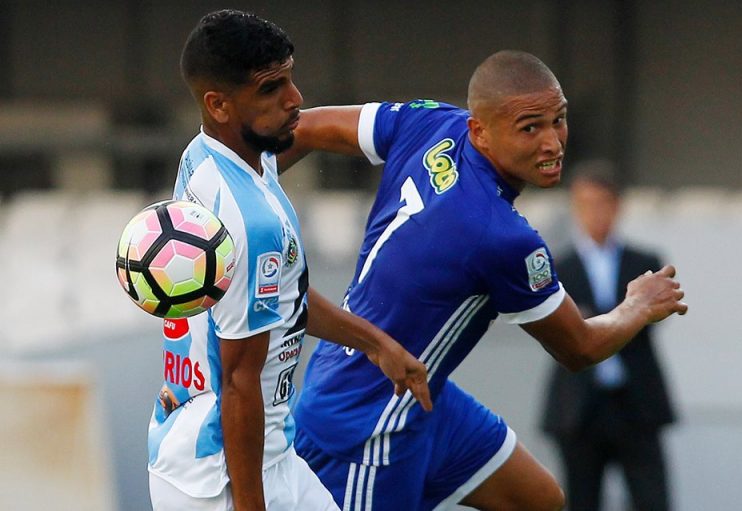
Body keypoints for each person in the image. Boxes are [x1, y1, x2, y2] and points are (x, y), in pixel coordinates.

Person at [277, 49, 688, 511]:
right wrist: (638, 304)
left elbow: (305, 127)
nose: (553, 142)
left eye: (559, 119)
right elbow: (580, 347)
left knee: (538, 499)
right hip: (365, 422)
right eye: (530, 127)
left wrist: (258, 185)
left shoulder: (431, 122)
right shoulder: (499, 237)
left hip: (423, 396)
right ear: (480, 131)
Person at [146, 10, 432, 511]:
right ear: (219, 104)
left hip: (256, 448)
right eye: (271, 87)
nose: (295, 98)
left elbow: (282, 297)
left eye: (290, 78)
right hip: (221, 474)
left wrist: (375, 343)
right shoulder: (246, 221)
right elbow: (238, 383)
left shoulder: (209, 157)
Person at [540, 160, 676, 511]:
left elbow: (657, 316)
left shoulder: (644, 263)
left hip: (636, 401)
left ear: (617, 206)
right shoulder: (557, 267)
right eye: (585, 204)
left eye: (602, 203)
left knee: (652, 499)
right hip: (580, 407)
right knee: (581, 500)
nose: (594, 214)